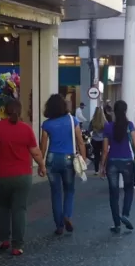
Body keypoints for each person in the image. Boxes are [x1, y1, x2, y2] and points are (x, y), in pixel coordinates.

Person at [0, 99, 45, 256]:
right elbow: (35, 152)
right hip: (22, 176)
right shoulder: (26, 129)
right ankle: (17, 245)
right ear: (19, 111)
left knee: (3, 208)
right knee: (19, 209)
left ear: (4, 111)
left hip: (1, 175)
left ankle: (4, 240)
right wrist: (42, 166)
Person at [40, 94, 87, 235]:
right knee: (69, 190)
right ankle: (67, 215)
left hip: (52, 159)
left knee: (55, 193)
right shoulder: (73, 120)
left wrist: (41, 163)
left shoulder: (47, 124)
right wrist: (83, 159)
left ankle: (59, 226)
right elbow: (80, 141)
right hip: (68, 158)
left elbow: (43, 146)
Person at [100, 100, 135, 233]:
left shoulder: (108, 126)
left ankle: (117, 224)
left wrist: (102, 166)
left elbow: (105, 149)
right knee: (129, 189)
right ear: (125, 110)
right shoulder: (129, 125)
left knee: (113, 193)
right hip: (127, 161)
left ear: (114, 111)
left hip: (112, 162)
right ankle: (125, 214)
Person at [89, 107, 107, 175]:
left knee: (96, 156)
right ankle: (103, 169)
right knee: (104, 155)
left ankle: (96, 170)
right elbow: (107, 130)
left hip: (95, 140)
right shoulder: (104, 121)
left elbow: (89, 130)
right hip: (103, 140)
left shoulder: (93, 121)